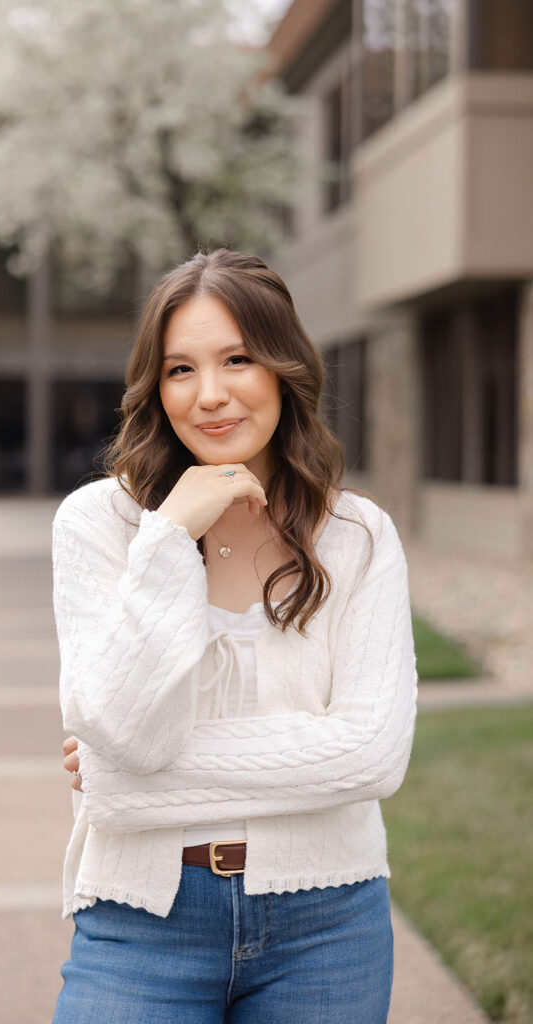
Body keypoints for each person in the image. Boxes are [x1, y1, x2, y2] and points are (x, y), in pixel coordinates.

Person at [50, 248, 418, 1024]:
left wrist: (122, 782)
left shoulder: (357, 535)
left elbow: (371, 754)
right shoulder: (98, 526)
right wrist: (168, 536)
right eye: (180, 370)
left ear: (283, 368)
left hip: (327, 922)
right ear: (156, 387)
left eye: (237, 359)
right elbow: (125, 730)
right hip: (139, 920)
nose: (209, 395)